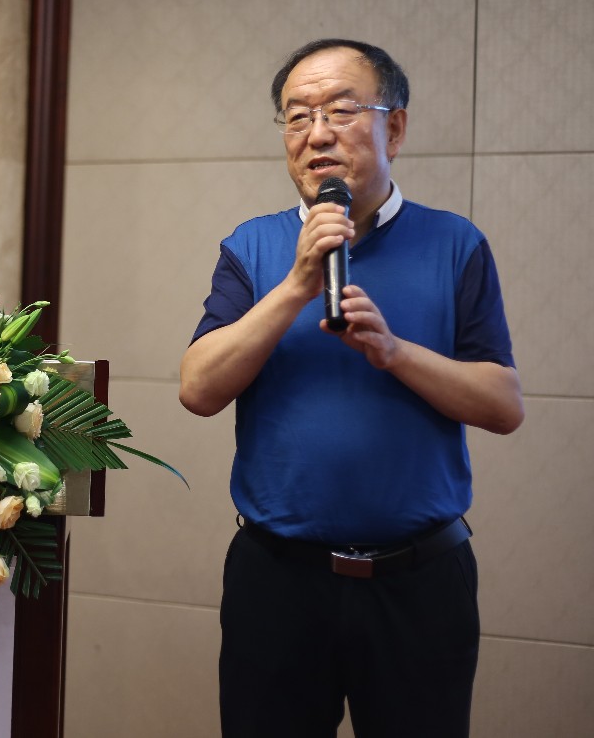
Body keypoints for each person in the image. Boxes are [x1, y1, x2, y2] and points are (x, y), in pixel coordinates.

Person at [179, 38, 524, 738]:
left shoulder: (455, 244)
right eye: (297, 116)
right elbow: (199, 387)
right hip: (277, 579)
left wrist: (395, 353)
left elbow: (502, 404)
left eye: (341, 111)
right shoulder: (252, 247)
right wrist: (297, 284)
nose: (317, 134)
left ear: (394, 128)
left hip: (420, 581)